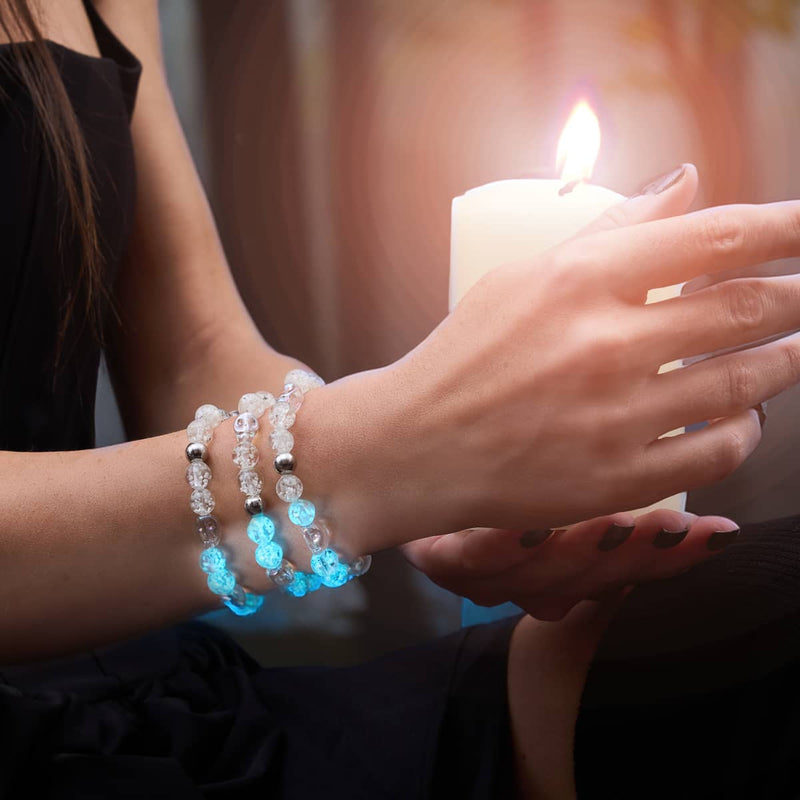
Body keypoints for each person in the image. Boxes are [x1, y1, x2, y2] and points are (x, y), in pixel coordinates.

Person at [1, 1, 799, 797]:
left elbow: (195, 356)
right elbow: (357, 454)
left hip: (164, 701)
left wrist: (438, 480)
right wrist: (379, 453)